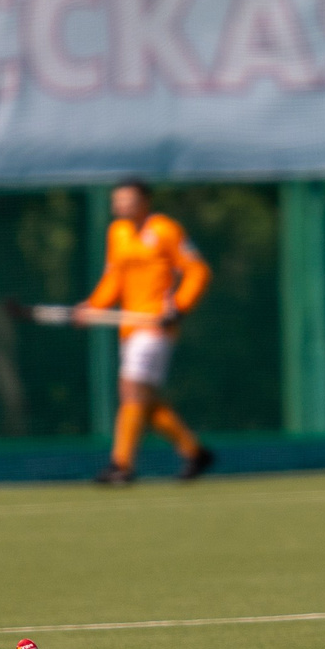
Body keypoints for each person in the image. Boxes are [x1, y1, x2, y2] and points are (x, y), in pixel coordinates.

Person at [79, 180, 216, 486]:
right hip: (130, 326)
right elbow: (114, 278)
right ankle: (195, 452)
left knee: (130, 391)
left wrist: (178, 307)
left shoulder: (166, 230)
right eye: (116, 201)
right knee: (145, 401)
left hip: (155, 327)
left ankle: (121, 465)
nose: (119, 206)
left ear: (145, 201)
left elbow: (197, 271)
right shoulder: (118, 233)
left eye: (126, 200)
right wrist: (93, 307)